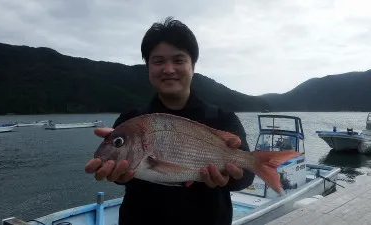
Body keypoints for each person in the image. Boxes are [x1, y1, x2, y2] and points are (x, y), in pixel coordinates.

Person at [85, 17, 255, 225]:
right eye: (158, 61)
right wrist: (116, 171)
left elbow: (246, 178)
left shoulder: (223, 119)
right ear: (148, 67)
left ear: (193, 65)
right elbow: (128, 173)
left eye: (178, 60)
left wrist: (233, 177)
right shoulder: (130, 120)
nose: (168, 69)